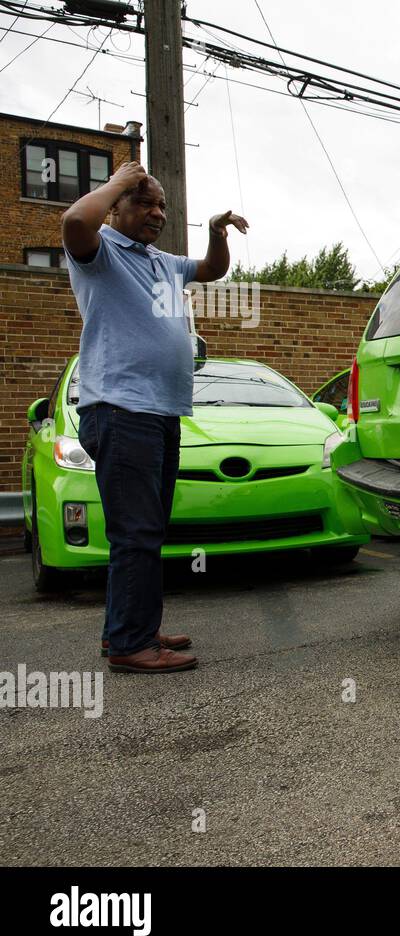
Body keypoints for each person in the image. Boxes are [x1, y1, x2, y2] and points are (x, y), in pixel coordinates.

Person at [61, 160, 249, 674]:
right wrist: (120, 180)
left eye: (162, 205)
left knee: (146, 530)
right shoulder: (99, 253)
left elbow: (212, 271)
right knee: (137, 533)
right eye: (145, 202)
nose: (157, 212)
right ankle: (130, 644)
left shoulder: (160, 262)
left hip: (159, 413)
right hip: (122, 411)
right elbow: (75, 223)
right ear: (117, 207)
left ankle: (130, 627)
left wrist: (215, 233)